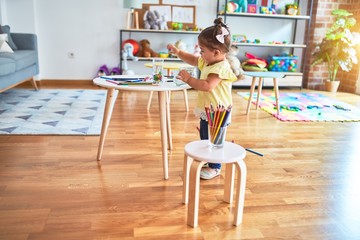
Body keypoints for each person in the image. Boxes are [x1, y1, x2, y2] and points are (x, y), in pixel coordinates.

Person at [167, 18, 237, 180]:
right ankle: (210, 159)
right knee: (205, 137)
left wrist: (188, 80)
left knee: (216, 139)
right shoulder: (208, 61)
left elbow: (207, 85)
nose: (200, 54)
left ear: (216, 52)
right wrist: (178, 52)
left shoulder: (220, 67)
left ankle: (215, 167)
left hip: (219, 112)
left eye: (202, 50)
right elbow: (193, 59)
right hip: (208, 109)